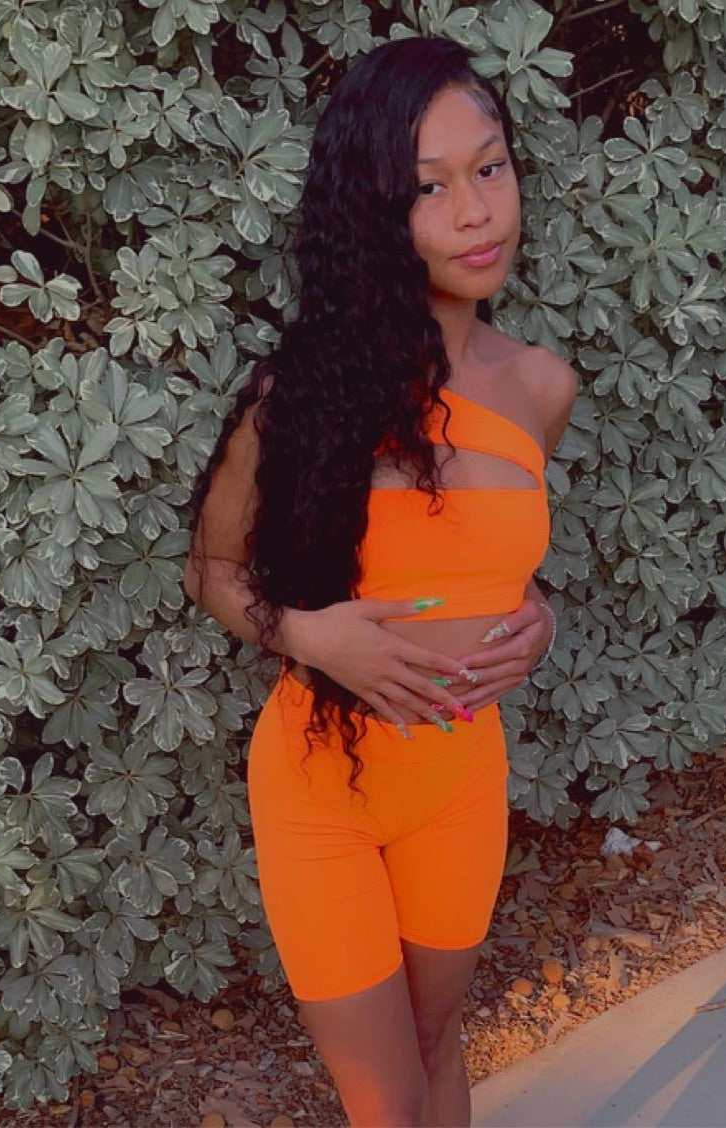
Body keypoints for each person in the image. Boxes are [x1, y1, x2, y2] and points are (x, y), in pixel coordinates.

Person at [183, 36, 577, 1128]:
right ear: (373, 209)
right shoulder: (299, 395)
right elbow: (211, 567)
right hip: (323, 786)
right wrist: (309, 636)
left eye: (489, 168)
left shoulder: (541, 386)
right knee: (386, 1100)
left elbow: (493, 563)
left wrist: (539, 621)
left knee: (440, 1042)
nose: (476, 212)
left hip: (459, 780)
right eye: (428, 187)